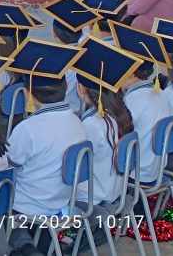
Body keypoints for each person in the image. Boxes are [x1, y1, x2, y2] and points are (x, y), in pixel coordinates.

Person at [3, 39, 89, 256]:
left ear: (26, 93)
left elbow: (7, 162)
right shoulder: (78, 122)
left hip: (30, 207)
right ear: (67, 86)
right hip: (62, 202)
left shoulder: (28, 128)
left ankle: (23, 245)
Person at [72, 38, 136, 221]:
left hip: (93, 196)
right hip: (115, 191)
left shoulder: (92, 124)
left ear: (81, 87)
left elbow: (75, 169)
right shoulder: (122, 113)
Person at [112, 22, 173, 185]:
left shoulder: (132, 101)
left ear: (131, 72)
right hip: (156, 168)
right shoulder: (160, 94)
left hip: (135, 174)